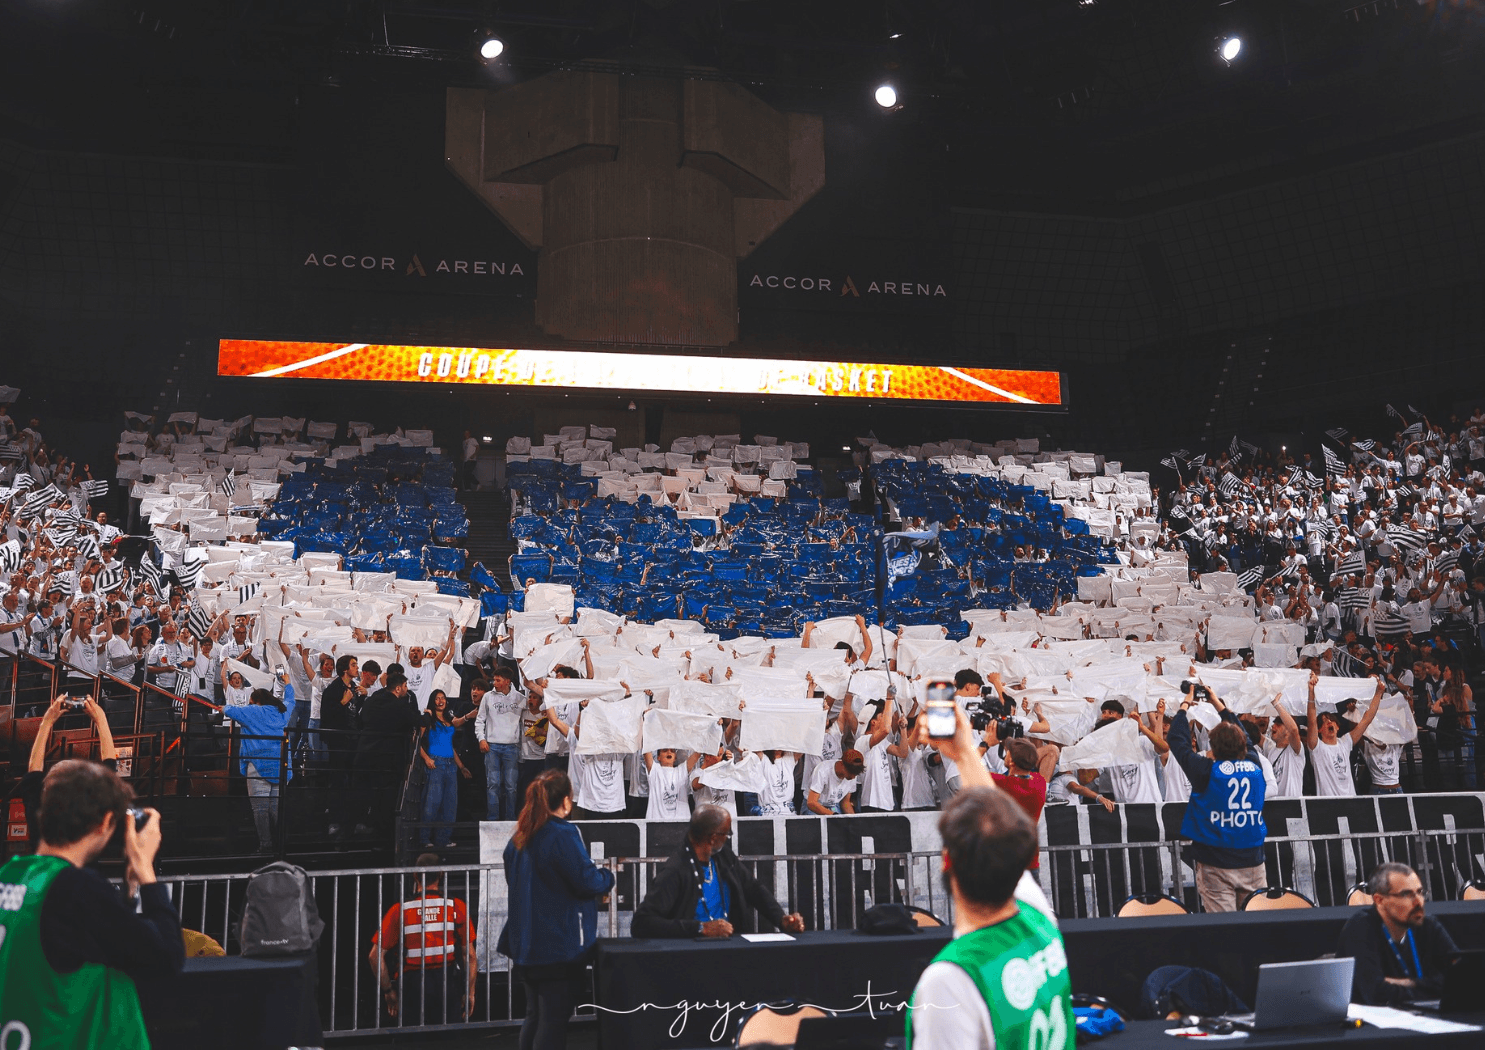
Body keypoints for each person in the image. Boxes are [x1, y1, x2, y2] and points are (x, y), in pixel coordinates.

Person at [906, 704, 1071, 1050]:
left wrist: (973, 749)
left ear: (946, 863)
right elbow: (994, 815)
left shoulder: (950, 979)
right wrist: (964, 751)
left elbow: (965, 787)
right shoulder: (1041, 923)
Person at [0, 759, 184, 1048]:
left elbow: (79, 940)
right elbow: (166, 956)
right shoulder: (73, 888)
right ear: (103, 823)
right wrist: (146, 870)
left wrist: (130, 889)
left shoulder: (11, 874)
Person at [499, 771, 615, 1050]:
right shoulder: (563, 834)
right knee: (552, 1021)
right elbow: (586, 880)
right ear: (566, 801)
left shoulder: (521, 836)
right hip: (556, 943)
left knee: (535, 1015)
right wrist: (607, 877)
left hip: (525, 942)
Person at [632, 804, 806, 938]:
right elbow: (641, 923)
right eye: (727, 834)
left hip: (730, 945)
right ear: (714, 838)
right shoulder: (676, 870)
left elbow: (754, 889)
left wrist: (781, 920)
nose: (727, 838)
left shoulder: (724, 857)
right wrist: (700, 928)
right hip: (689, 953)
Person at [1169, 683, 1268, 913]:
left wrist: (1186, 704)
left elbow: (1177, 740)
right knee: (1257, 924)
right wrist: (1217, 702)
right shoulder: (1254, 765)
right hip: (1253, 859)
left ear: (1212, 746)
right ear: (1243, 744)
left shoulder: (1206, 771)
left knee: (1225, 930)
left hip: (1216, 861)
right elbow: (1245, 736)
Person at [371, 854, 476, 1027]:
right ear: (441, 875)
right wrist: (470, 991)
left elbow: (374, 956)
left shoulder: (400, 910)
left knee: (414, 1039)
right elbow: (470, 956)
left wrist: (388, 990)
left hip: (411, 986)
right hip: (447, 984)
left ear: (415, 875)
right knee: (448, 1038)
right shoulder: (455, 906)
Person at [1338, 862, 1457, 1006]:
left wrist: (1410, 982)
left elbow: (1462, 978)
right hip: (1371, 1023)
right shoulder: (1361, 927)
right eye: (1406, 894)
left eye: (1419, 892)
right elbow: (1377, 994)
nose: (1418, 902)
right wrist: (1431, 986)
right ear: (1379, 900)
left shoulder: (1427, 924)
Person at [222, 687, 293, 853]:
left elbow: (229, 710)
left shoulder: (252, 711)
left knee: (260, 810)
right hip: (280, 765)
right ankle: (282, 843)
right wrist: (288, 684)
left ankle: (266, 844)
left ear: (254, 700)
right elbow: (291, 701)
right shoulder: (281, 711)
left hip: (258, 764)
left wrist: (224, 708)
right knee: (276, 808)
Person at [1307, 676, 1384, 797]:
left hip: (1350, 801)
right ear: (1319, 730)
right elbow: (1311, 721)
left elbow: (1366, 719)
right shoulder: (1317, 747)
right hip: (1327, 804)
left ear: (1337, 726)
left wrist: (1379, 692)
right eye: (1324, 721)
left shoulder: (1345, 742)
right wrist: (1311, 692)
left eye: (1331, 720)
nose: (1329, 722)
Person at [419, 689, 475, 848]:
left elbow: (451, 746)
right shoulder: (428, 719)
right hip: (435, 763)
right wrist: (427, 758)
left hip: (450, 764)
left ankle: (444, 839)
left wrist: (462, 766)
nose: (440, 701)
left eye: (443, 698)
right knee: (432, 803)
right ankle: (425, 839)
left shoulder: (449, 720)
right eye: (437, 698)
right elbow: (415, 742)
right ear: (432, 701)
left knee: (450, 804)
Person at [475, 665, 527, 821]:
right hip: (492, 746)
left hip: (512, 747)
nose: (494, 683)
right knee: (493, 785)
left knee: (511, 787)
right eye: (494, 680)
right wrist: (481, 738)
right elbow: (479, 720)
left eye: (498, 680)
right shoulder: (487, 697)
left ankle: (510, 820)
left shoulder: (520, 698)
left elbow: (531, 715)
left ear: (507, 681)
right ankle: (493, 820)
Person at [990, 738, 1047, 871]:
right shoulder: (1040, 782)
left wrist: (986, 743)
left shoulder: (1003, 783)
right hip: (1031, 860)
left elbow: (970, 770)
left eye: (1008, 752)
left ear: (1011, 761)